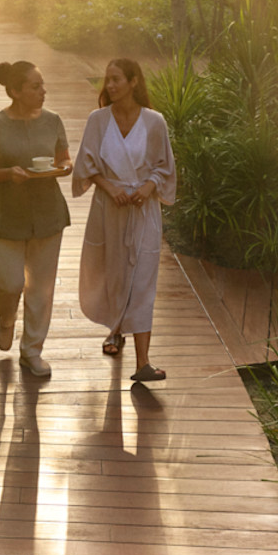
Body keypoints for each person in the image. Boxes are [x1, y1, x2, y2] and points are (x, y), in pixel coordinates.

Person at [72, 57, 175, 383]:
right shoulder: (98, 120)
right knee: (114, 273)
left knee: (143, 280)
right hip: (109, 210)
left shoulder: (154, 122)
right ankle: (115, 331)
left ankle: (143, 362)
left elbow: (164, 167)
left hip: (143, 213)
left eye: (116, 79)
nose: (110, 86)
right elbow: (87, 166)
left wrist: (148, 186)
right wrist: (110, 187)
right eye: (108, 80)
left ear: (134, 82)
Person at [0, 60, 71, 378]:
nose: (43, 91)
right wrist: (6, 174)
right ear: (15, 91)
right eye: (35, 86)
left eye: (43, 85)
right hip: (5, 215)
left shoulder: (53, 121)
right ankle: (6, 320)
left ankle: (32, 352)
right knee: (9, 283)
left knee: (41, 288)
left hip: (48, 213)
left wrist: (64, 167)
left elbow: (64, 158)